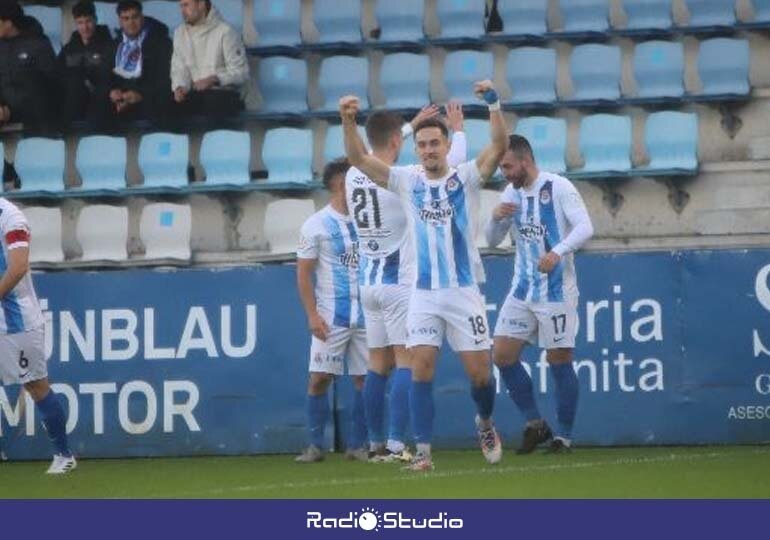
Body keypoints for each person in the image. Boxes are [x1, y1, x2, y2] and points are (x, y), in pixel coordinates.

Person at [340, 81, 507, 471]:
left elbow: (499, 146)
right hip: (423, 294)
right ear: (416, 149)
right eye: (424, 144)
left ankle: (484, 421)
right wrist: (348, 122)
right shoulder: (406, 180)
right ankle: (424, 454)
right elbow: (360, 160)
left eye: (436, 143)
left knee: (481, 376)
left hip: (463, 290)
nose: (429, 150)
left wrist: (494, 104)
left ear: (448, 147)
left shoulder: (465, 178)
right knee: (420, 367)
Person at [346, 104, 467, 463]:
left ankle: (374, 443)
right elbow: (451, 163)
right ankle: (398, 445)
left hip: (367, 282)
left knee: (375, 364)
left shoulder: (354, 173)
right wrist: (456, 130)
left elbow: (373, 148)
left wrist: (409, 127)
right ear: (399, 141)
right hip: (399, 281)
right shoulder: (405, 177)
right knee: (406, 361)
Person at [485, 134, 594, 454]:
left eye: (507, 166)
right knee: (502, 356)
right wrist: (494, 218)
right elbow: (492, 241)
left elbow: (585, 227)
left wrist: (557, 252)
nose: (503, 173)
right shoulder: (511, 193)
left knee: (558, 359)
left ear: (525, 161)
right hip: (522, 290)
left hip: (556, 292)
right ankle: (535, 424)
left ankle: (564, 437)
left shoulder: (558, 187)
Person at [295, 158, 369, 463]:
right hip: (331, 318)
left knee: (366, 380)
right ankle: (315, 445)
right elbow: (303, 274)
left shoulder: (369, 220)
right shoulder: (315, 225)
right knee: (319, 379)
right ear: (341, 185)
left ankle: (358, 445)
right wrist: (312, 315)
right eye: (355, 181)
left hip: (367, 316)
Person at [0, 197, 76, 474]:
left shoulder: (11, 218)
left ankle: (63, 455)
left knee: (36, 387)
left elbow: (18, 267)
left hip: (16, 323)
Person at [96, 0, 173, 130]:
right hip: (121, 99)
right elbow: (103, 76)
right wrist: (112, 92)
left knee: (162, 102)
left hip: (149, 97)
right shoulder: (113, 45)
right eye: (126, 18)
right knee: (99, 103)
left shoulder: (161, 42)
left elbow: (165, 78)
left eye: (135, 17)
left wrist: (141, 94)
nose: (131, 22)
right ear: (120, 21)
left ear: (142, 18)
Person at [171, 0, 249, 121]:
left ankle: (218, 139)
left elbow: (241, 74)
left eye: (186, 5)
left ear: (201, 4)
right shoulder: (179, 33)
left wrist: (214, 79)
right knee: (163, 102)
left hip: (224, 94)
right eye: (181, 6)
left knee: (214, 102)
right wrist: (179, 87)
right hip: (196, 95)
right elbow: (178, 68)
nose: (182, 11)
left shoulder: (226, 31)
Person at [0, 2, 58, 134]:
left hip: (34, 109)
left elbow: (51, 82)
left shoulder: (38, 43)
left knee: (31, 78)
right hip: (6, 108)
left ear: (8, 23)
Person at [58, 0, 116, 129]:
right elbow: (58, 73)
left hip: (100, 99)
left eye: (88, 21)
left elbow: (110, 76)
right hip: (74, 98)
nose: (85, 27)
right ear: (75, 24)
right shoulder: (69, 49)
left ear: (95, 20)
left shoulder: (109, 45)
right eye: (80, 23)